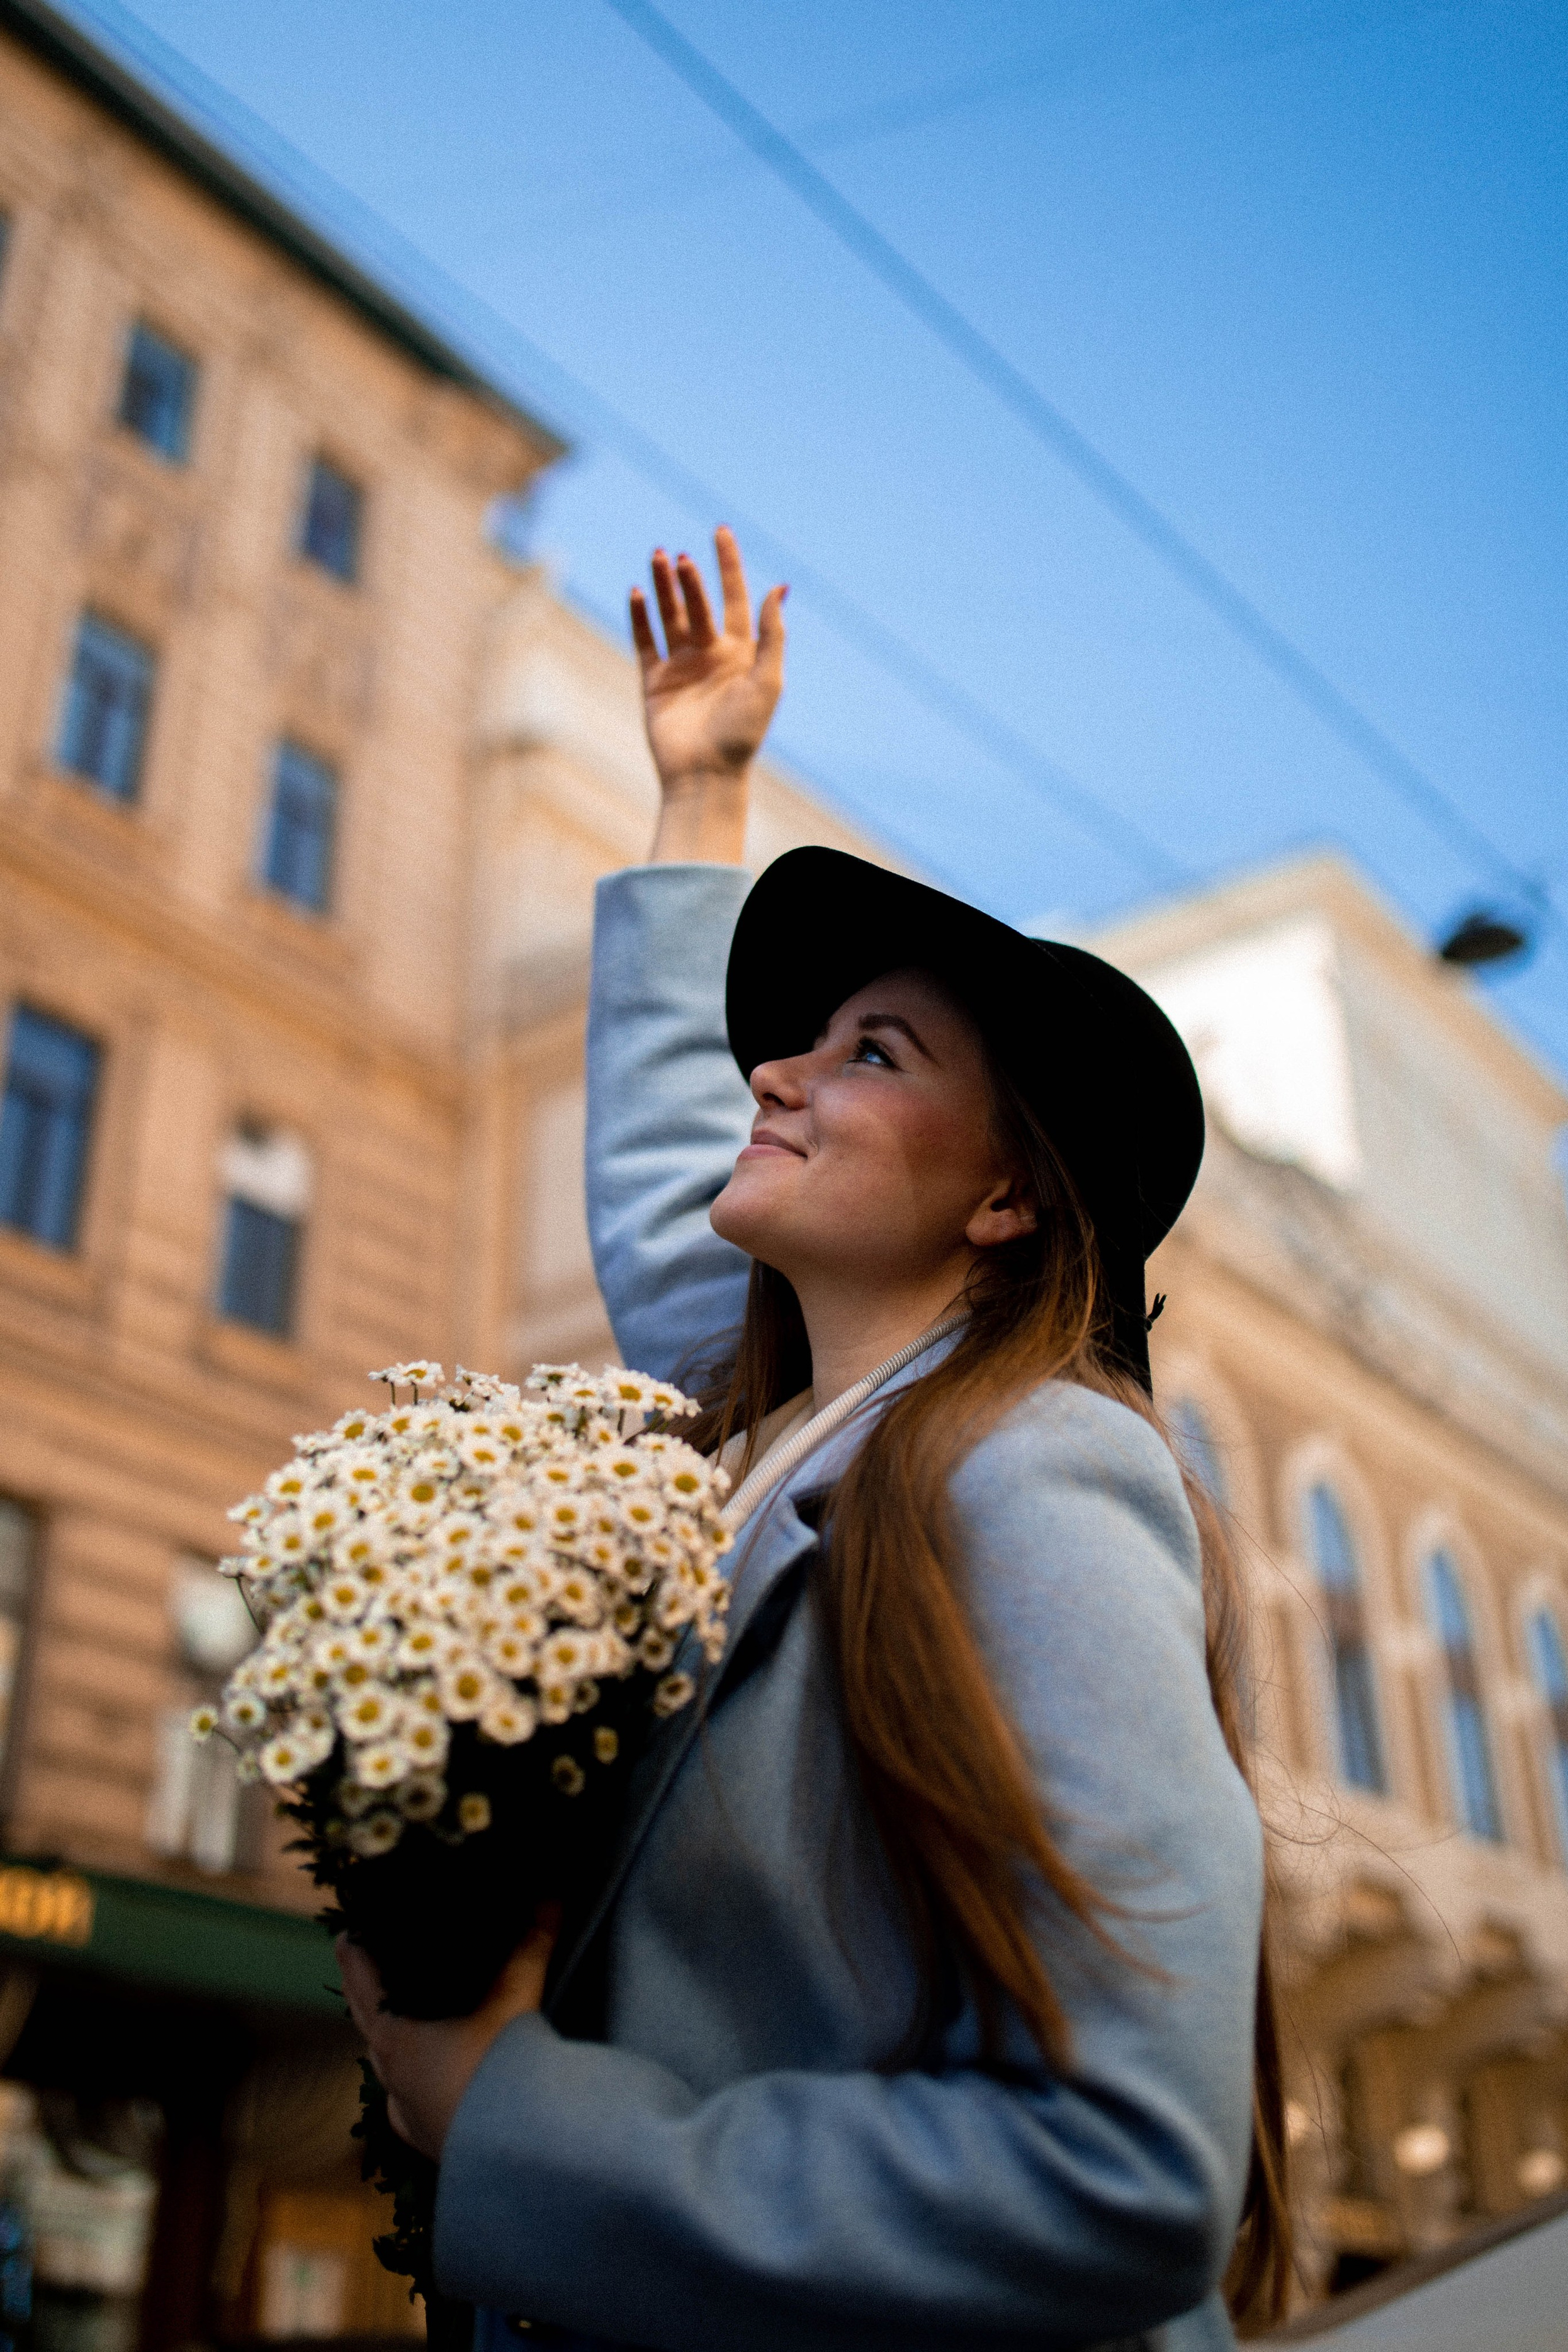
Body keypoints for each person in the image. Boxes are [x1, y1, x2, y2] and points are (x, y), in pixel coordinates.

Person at [341, 530, 1289, 2351]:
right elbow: (653, 1161)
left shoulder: (1037, 1472)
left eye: (872, 1054)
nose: (777, 1070)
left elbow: (1126, 2166)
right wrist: (700, 794)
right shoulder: (767, 1429)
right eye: (799, 1046)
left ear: (1008, 1194)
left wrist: (504, 2117)